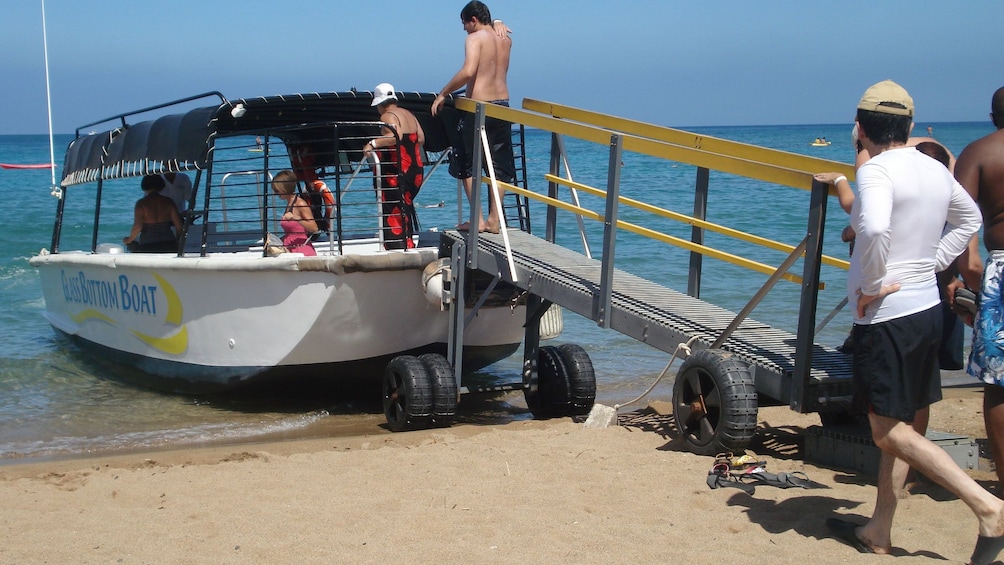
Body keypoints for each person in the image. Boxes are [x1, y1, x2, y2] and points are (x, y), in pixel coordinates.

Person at [824, 80, 1003, 565]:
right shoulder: (932, 167)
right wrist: (929, 263)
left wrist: (875, 281)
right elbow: (967, 221)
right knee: (900, 421)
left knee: (886, 430)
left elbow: (876, 227)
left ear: (860, 128)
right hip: (926, 310)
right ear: (906, 125)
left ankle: (989, 507)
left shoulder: (878, 171)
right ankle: (879, 526)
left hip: (889, 314)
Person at [431, 1, 515, 234]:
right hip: (503, 105)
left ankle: (477, 220)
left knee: (465, 162)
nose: (464, 29)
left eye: (464, 23)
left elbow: (469, 70)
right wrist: (498, 21)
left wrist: (443, 93)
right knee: (499, 165)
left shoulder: (475, 38)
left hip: (478, 107)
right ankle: (494, 219)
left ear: (473, 20)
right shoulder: (505, 38)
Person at [957, 86, 1004, 489]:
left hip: (1003, 269)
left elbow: (959, 220)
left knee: (998, 383)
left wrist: (954, 278)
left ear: (992, 116)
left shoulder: (979, 153)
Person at [364, 82, 426, 250]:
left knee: (393, 209)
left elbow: (395, 135)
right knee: (403, 207)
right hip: (415, 170)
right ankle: (408, 243)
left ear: (380, 104)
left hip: (397, 171)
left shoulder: (387, 116)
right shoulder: (408, 114)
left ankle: (397, 247)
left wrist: (373, 143)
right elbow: (420, 138)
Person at [123, 174, 183, 253]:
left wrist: (129, 239)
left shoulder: (141, 204)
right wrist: (177, 240)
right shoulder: (168, 202)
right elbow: (179, 226)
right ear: (161, 185)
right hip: (169, 243)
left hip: (148, 244)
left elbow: (138, 226)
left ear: (144, 186)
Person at [270, 170, 317, 256]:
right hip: (290, 249)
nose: (276, 194)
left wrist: (296, 218)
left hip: (301, 250)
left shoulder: (300, 204)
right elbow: (290, 233)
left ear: (284, 188)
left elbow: (314, 228)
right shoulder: (290, 203)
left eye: (277, 190)